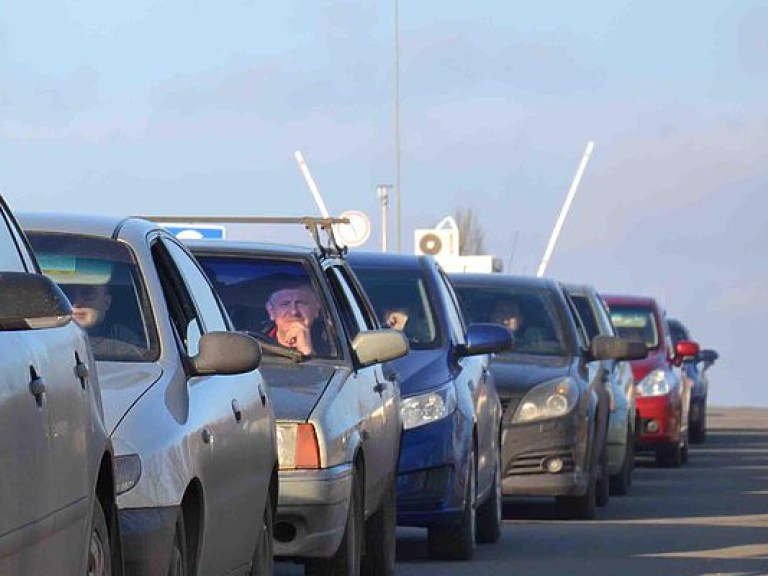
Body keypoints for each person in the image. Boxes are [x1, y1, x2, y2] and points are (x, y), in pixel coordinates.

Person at [67, 282, 145, 359]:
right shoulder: (55, 336)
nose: (76, 303)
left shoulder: (125, 340)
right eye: (67, 295)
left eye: (87, 293)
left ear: (106, 303)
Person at [264, 281, 327, 356]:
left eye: (301, 303)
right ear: (271, 311)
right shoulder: (256, 345)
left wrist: (308, 353)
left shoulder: (336, 346)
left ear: (316, 308)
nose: (294, 312)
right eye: (285, 304)